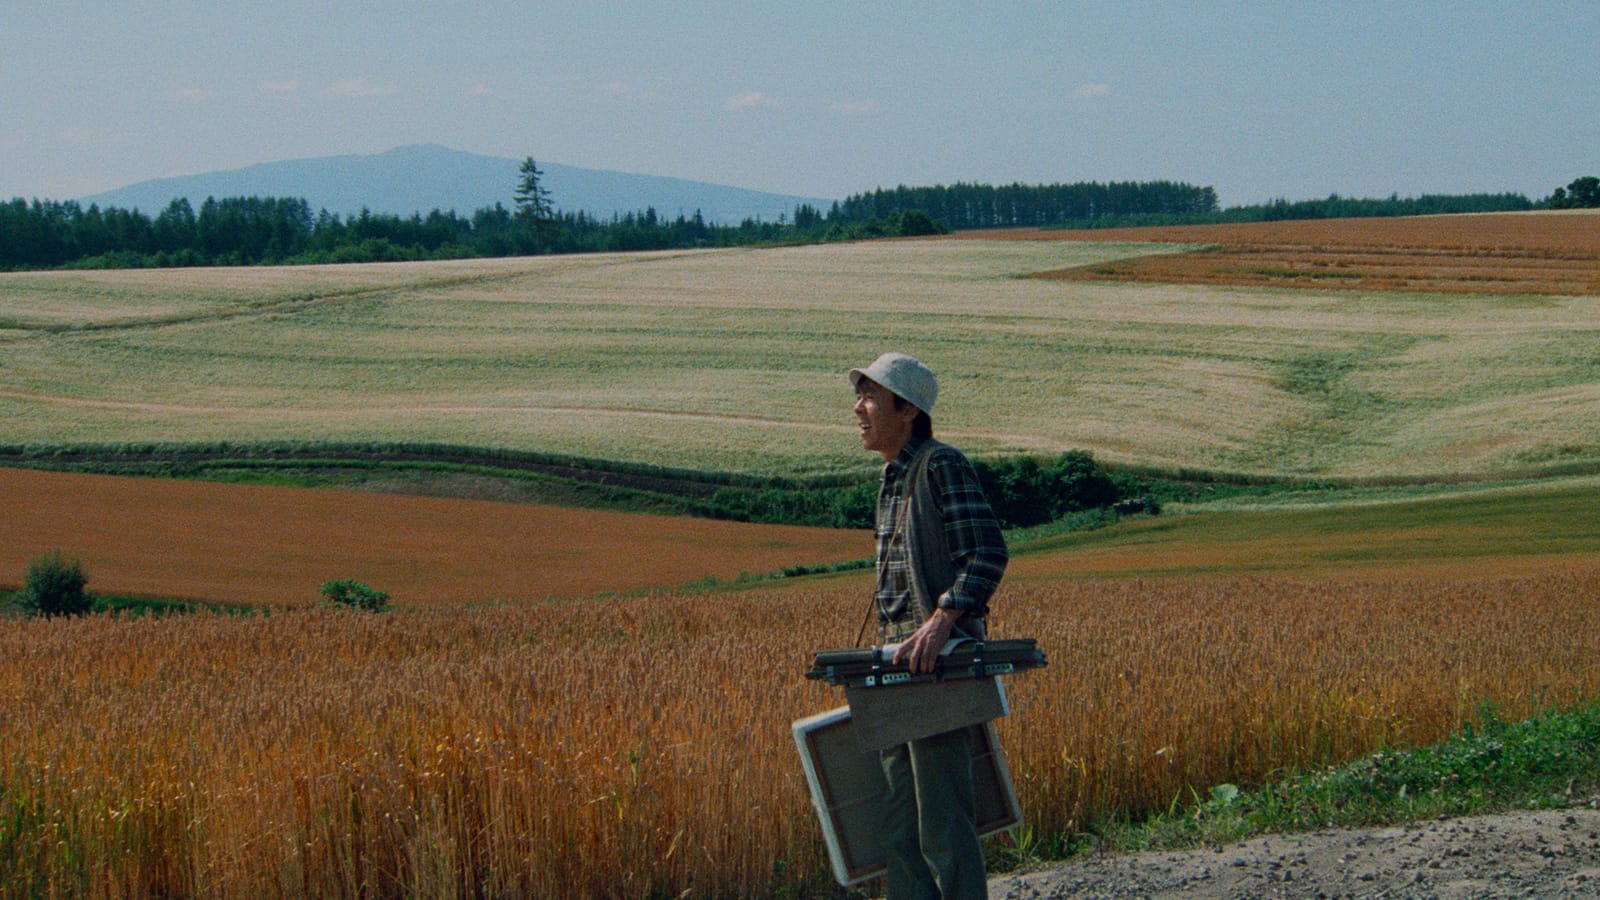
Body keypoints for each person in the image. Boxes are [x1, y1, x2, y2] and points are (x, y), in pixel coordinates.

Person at [849, 351, 1009, 900]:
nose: (858, 408)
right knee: (899, 830)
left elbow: (987, 553)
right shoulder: (891, 477)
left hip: (936, 666)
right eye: (861, 395)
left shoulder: (941, 465)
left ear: (908, 409)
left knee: (942, 824)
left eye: (871, 396)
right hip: (896, 664)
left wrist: (942, 622)